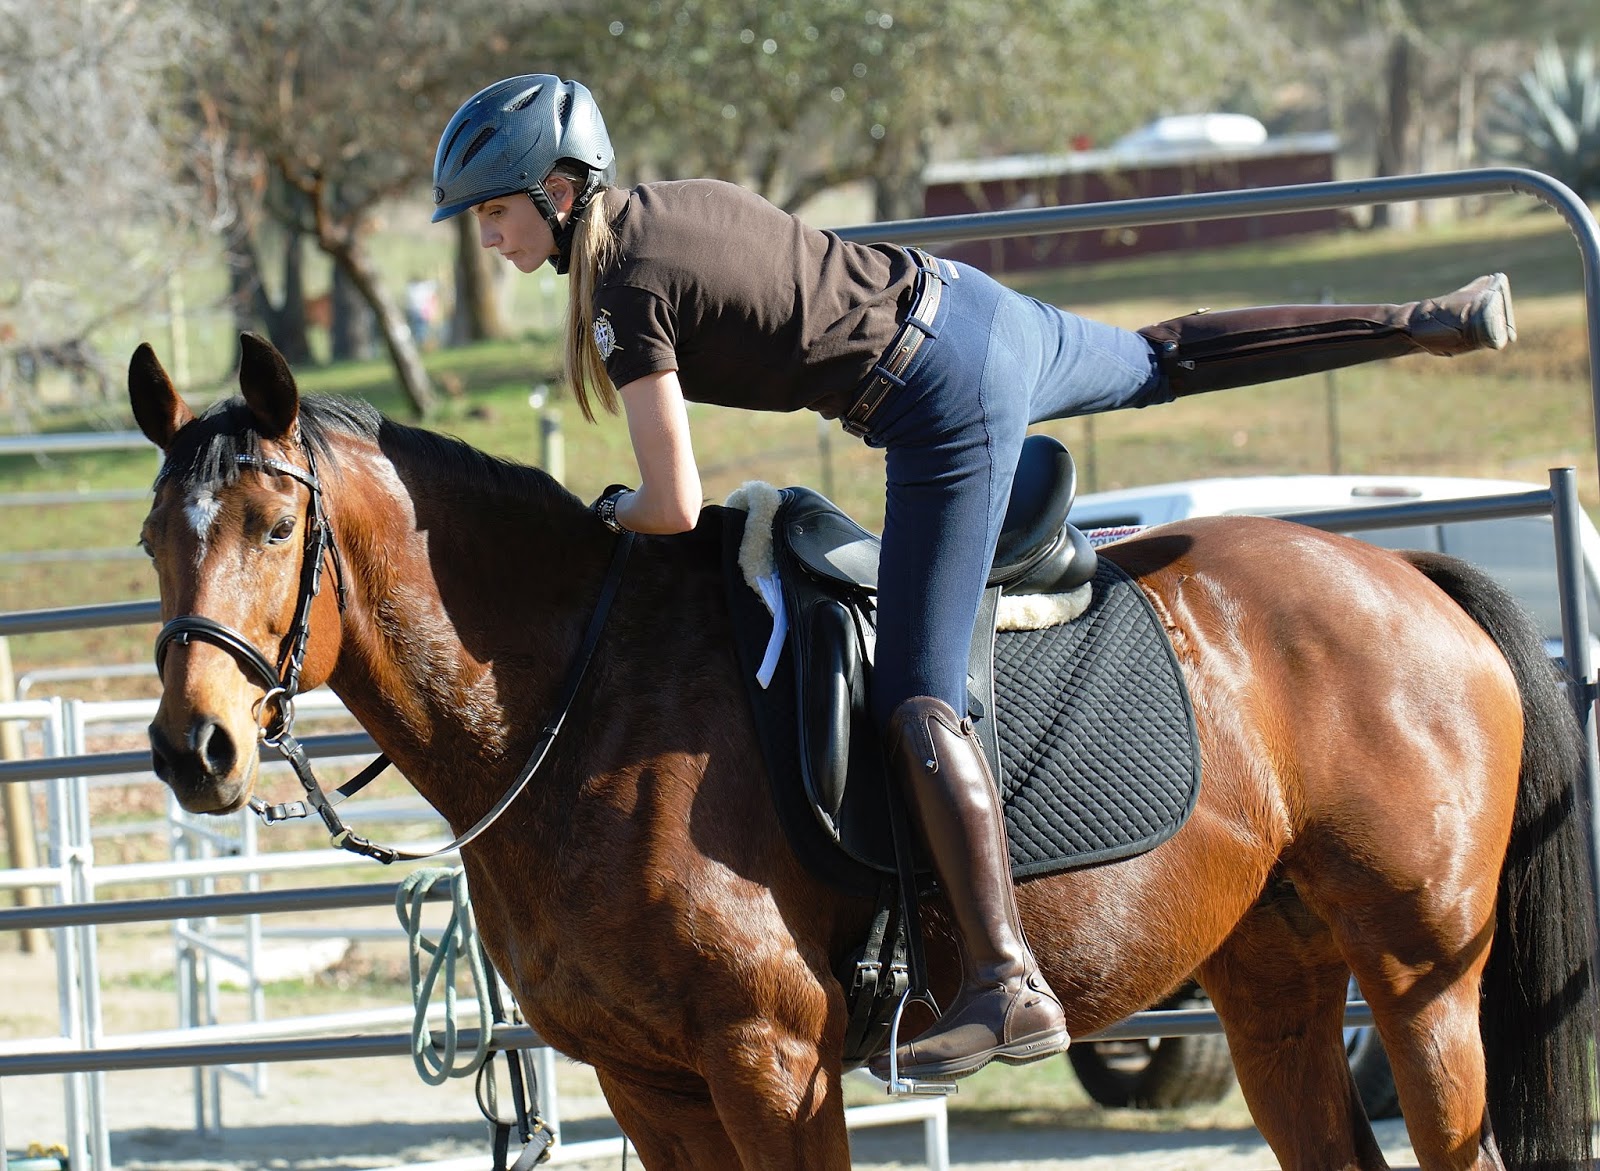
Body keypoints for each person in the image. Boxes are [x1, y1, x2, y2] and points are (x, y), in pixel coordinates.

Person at [430, 74, 1516, 1084]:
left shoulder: (622, 287)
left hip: (940, 406)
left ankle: (1006, 979)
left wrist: (605, 512)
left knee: (917, 694)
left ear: (560, 192)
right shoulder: (673, 208)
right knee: (1159, 357)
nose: (487, 235)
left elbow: (671, 503)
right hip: (976, 310)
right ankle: (1421, 320)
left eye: (496, 211)